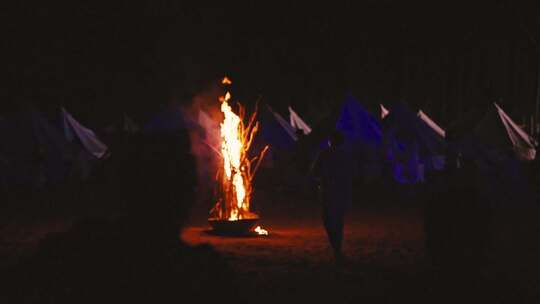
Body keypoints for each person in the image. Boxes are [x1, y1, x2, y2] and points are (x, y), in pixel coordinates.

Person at [312, 129, 354, 263]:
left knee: (328, 219)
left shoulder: (325, 154)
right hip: (341, 191)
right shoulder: (346, 155)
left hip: (328, 191)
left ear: (331, 141)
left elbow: (314, 171)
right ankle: (337, 248)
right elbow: (353, 173)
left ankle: (336, 247)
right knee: (338, 220)